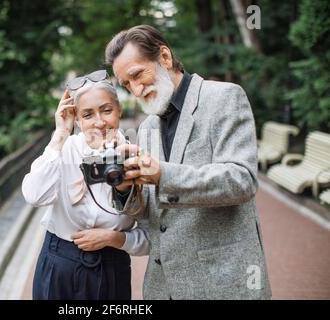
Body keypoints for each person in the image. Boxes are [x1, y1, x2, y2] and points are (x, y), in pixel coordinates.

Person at [105, 25, 272, 299]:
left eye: (138, 74)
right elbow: (149, 212)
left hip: (222, 283)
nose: (136, 89)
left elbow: (242, 180)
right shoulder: (146, 128)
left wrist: (162, 174)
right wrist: (125, 189)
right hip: (163, 287)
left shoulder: (224, 97)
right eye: (127, 84)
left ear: (165, 57)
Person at [21, 70, 149, 300]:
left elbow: (153, 236)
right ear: (77, 119)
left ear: (119, 110)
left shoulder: (137, 156)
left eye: (106, 110)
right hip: (59, 262)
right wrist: (60, 134)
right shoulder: (63, 149)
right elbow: (34, 196)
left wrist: (116, 239)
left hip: (112, 263)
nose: (99, 122)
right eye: (88, 115)